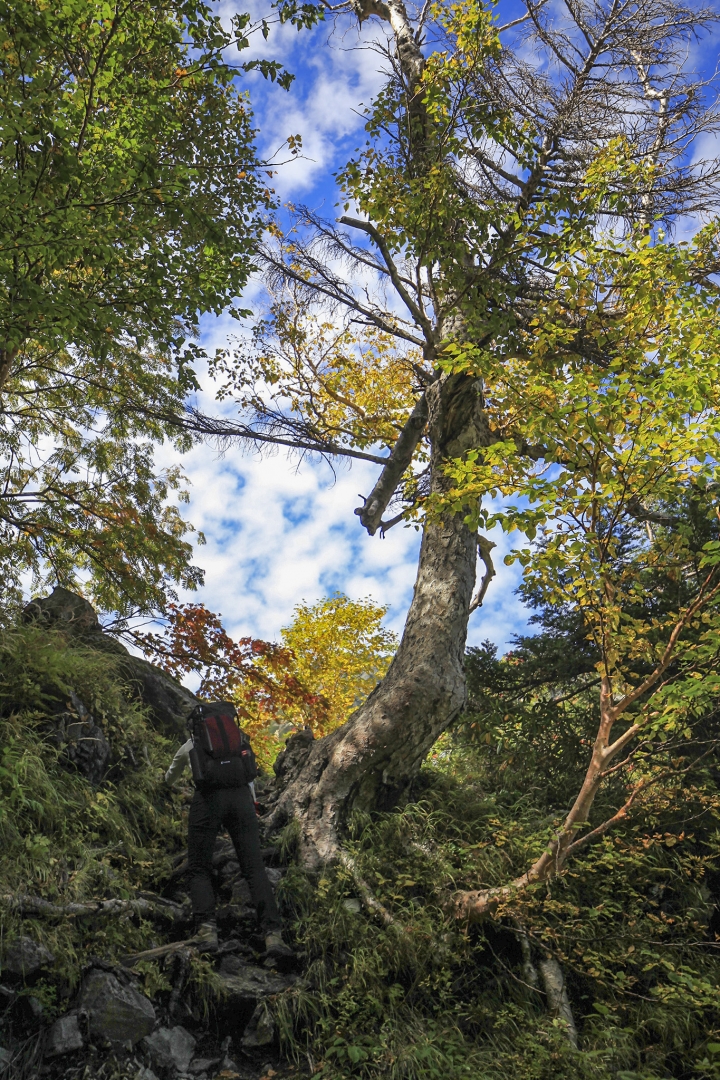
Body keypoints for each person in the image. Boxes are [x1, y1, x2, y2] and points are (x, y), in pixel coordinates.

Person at [165, 704, 291, 959]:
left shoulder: (194, 742)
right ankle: (273, 935)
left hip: (208, 801)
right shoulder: (237, 741)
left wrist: (166, 782)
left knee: (199, 866)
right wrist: (252, 803)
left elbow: (171, 776)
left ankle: (207, 930)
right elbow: (249, 776)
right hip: (241, 800)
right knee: (254, 868)